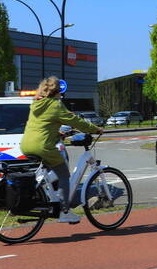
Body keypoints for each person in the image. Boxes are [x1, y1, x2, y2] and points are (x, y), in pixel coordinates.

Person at [20, 76, 103, 223]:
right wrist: (95, 129)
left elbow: (41, 124)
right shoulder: (55, 105)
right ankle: (64, 211)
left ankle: (48, 199)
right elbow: (75, 121)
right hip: (43, 146)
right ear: (57, 91)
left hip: (26, 144)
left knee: (49, 174)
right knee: (64, 174)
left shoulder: (36, 104)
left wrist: (57, 133)